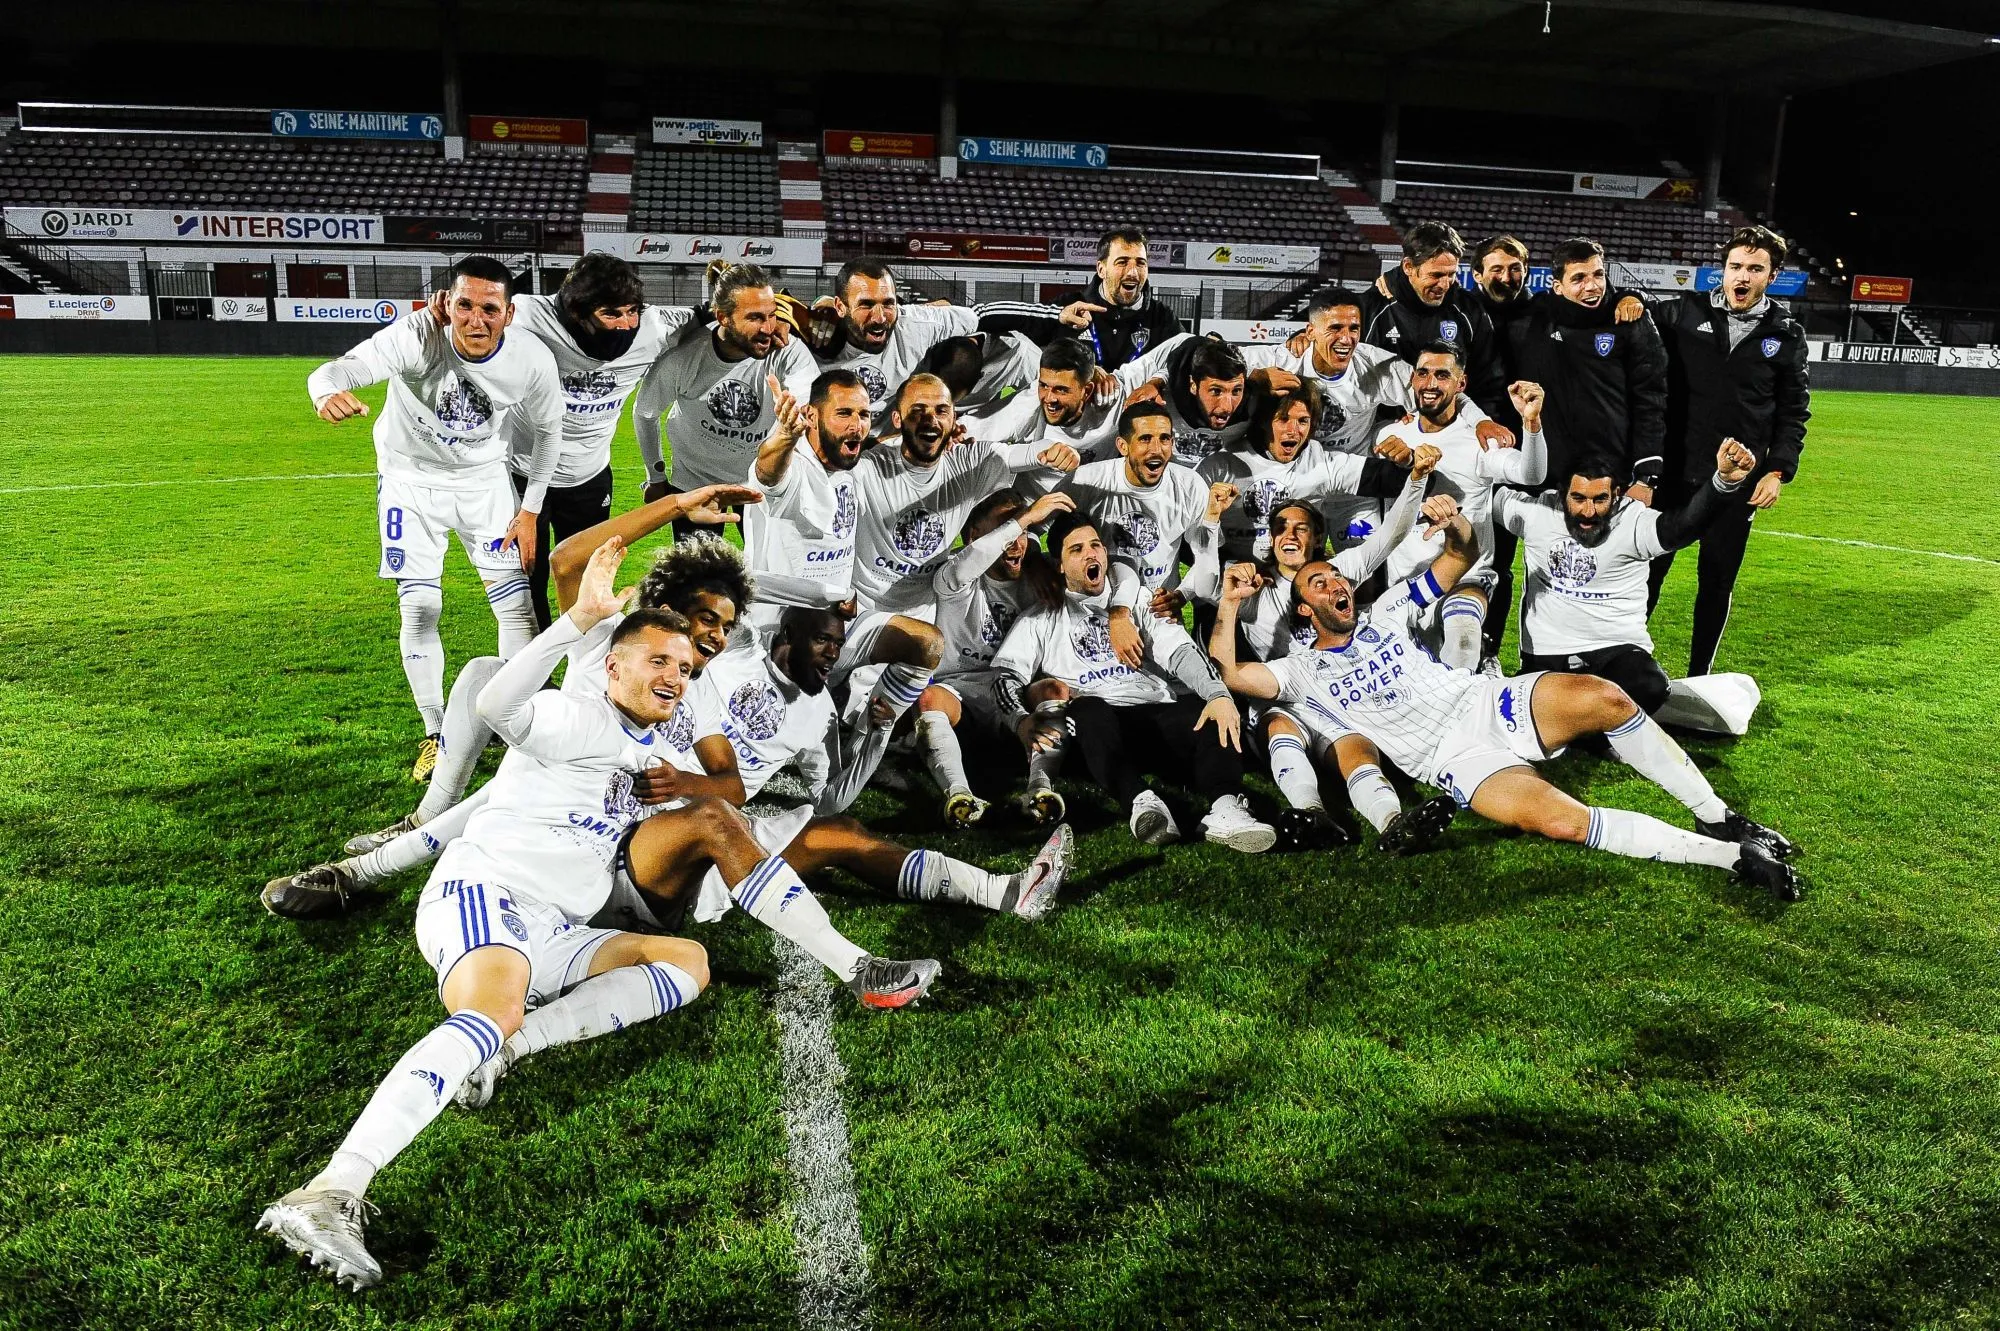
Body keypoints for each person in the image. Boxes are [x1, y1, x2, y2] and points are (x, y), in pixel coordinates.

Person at [257, 542, 924, 1292]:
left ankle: (508, 1053)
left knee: (685, 962)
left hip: (559, 926)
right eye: (658, 662)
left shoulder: (650, 740)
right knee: (489, 1011)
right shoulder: (577, 716)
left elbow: (720, 787)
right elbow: (495, 704)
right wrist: (572, 620)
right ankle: (328, 1190)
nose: (676, 674)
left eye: (685, 666)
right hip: (490, 895)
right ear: (614, 665)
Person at [1208, 505, 1800, 897]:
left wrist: (1457, 525)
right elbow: (1231, 670)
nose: (1337, 584)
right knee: (1566, 823)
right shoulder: (1300, 669)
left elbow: (1459, 558)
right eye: (1320, 584)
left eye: (1338, 576)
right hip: (1450, 759)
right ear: (1305, 611)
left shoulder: (1388, 610)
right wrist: (1230, 601)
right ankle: (1730, 860)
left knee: (1608, 699)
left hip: (1486, 702)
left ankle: (1718, 816)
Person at [261, 506, 765, 918]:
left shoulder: (699, 694)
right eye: (706, 620)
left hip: (610, 824)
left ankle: (377, 861)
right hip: (551, 775)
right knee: (489, 681)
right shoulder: (613, 642)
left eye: (726, 627)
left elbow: (731, 786)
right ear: (669, 609)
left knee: (507, 788)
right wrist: (675, 505)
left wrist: (683, 783)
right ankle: (393, 846)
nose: (718, 637)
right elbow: (567, 560)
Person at [306, 255, 561, 781]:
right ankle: (436, 730)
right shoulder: (418, 335)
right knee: (420, 608)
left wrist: (531, 509)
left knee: (517, 611)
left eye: (488, 308)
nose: (475, 319)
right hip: (409, 485)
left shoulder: (532, 361)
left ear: (508, 314)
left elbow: (550, 434)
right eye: (464, 305)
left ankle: (516, 727)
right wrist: (326, 392)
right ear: (445, 304)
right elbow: (339, 369)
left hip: (485, 486)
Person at [1186, 453, 1438, 849]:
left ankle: (1393, 822)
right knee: (1279, 726)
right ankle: (1311, 813)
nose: (1290, 534)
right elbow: (1202, 587)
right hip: (1284, 697)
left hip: (1344, 694)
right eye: (1281, 527)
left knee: (1356, 749)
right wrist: (1215, 529)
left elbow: (1393, 532)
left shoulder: (1337, 571)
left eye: (1301, 528)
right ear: (1270, 539)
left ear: (1317, 539)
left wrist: (1417, 480)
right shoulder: (1256, 583)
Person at [991, 511, 1277, 852]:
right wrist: (1020, 721)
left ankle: (1226, 808)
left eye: (1095, 545)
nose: (1091, 554)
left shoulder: (1137, 600)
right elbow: (1004, 677)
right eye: (1077, 550)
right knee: (1087, 709)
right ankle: (1141, 802)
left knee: (1209, 709)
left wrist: (1218, 695)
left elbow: (1181, 651)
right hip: (1101, 732)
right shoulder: (1041, 618)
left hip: (1154, 711)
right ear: (1060, 566)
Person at [1645, 224, 1811, 676]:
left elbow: (1793, 412)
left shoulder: (1787, 335)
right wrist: (1629, 301)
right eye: (1735, 266)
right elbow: (1634, 323)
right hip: (1674, 474)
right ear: (1723, 269)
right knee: (1649, 574)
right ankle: (1626, 663)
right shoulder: (1680, 313)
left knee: (1716, 582)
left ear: (1771, 276)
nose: (1742, 276)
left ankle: (1699, 677)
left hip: (1737, 482)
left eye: (1754, 269)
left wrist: (1777, 471)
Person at [1499, 440, 1762, 715]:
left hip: (1615, 652)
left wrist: (1722, 483)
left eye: (1600, 499)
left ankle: (1579, 722)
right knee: (1521, 701)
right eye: (1578, 498)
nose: (1588, 512)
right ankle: (1601, 726)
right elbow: (1476, 499)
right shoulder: (1536, 512)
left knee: (1649, 686)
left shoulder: (1633, 521)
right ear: (1562, 493)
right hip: (1548, 654)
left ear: (1617, 494)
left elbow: (1681, 527)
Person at [500, 253, 692, 626]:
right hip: (521, 476)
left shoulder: (655, 328)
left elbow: (722, 319)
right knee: (527, 584)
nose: (625, 324)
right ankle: (535, 669)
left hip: (590, 478)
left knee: (589, 579)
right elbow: (466, 315)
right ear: (577, 312)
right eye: (611, 313)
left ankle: (584, 665)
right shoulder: (526, 316)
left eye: (632, 311)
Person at [914, 488, 1077, 827]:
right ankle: (959, 795)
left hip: (1016, 691)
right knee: (929, 698)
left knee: (1055, 690)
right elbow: (968, 563)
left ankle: (1040, 789)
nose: (1018, 540)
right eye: (1008, 527)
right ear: (973, 536)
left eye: (1024, 531)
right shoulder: (953, 579)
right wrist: (1026, 519)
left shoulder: (1039, 576)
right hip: (960, 697)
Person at [1378, 349, 1547, 669]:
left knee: (1463, 642)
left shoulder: (1479, 441)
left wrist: (1532, 423)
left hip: (1467, 579)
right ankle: (1484, 672)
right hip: (1406, 585)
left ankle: (1477, 665)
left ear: (1461, 384)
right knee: (1419, 679)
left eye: (1443, 375)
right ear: (1412, 379)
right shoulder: (1391, 435)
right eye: (1423, 373)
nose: (1430, 382)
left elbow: (1531, 474)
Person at [804, 256, 1090, 414]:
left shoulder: (914, 323)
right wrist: (807, 308)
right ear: (840, 306)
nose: (880, 317)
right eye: (866, 305)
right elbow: (773, 310)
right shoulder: (815, 334)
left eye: (888, 304)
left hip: (897, 443)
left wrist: (1056, 314)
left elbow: (982, 314)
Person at [633, 263, 818, 498]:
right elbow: (645, 413)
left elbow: (807, 404)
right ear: (723, 317)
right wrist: (656, 477)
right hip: (694, 482)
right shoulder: (684, 357)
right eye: (755, 318)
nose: (768, 328)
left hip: (760, 480)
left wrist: (795, 414)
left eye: (772, 315)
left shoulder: (788, 351)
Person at [1195, 386, 1417, 566]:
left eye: (1302, 421)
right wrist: (1225, 564)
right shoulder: (1220, 466)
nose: (1293, 430)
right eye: (1283, 419)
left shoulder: (1320, 464)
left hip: (1293, 583)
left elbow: (1398, 481)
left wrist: (1409, 462)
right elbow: (1185, 536)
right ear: (1263, 421)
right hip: (1233, 583)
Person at [1061, 401, 1231, 614]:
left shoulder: (1190, 485)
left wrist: (1182, 594)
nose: (1156, 450)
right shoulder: (1085, 481)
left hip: (1158, 609)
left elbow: (1206, 557)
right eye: (1145, 439)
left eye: (1164, 439)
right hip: (1098, 609)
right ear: (1123, 446)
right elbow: (1045, 534)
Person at [1357, 221, 1506, 413]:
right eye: (1436, 275)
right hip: (1383, 432)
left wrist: (1479, 424)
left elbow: (1488, 381)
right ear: (1409, 266)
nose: (1444, 284)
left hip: (1449, 433)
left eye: (1451, 274)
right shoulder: (1370, 308)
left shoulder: (1469, 311)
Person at [1057, 225, 1187, 369]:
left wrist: (1158, 380)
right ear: (1101, 269)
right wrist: (1057, 314)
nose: (1133, 272)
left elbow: (1185, 363)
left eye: (1140, 263)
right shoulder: (1069, 307)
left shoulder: (1162, 316)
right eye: (1122, 262)